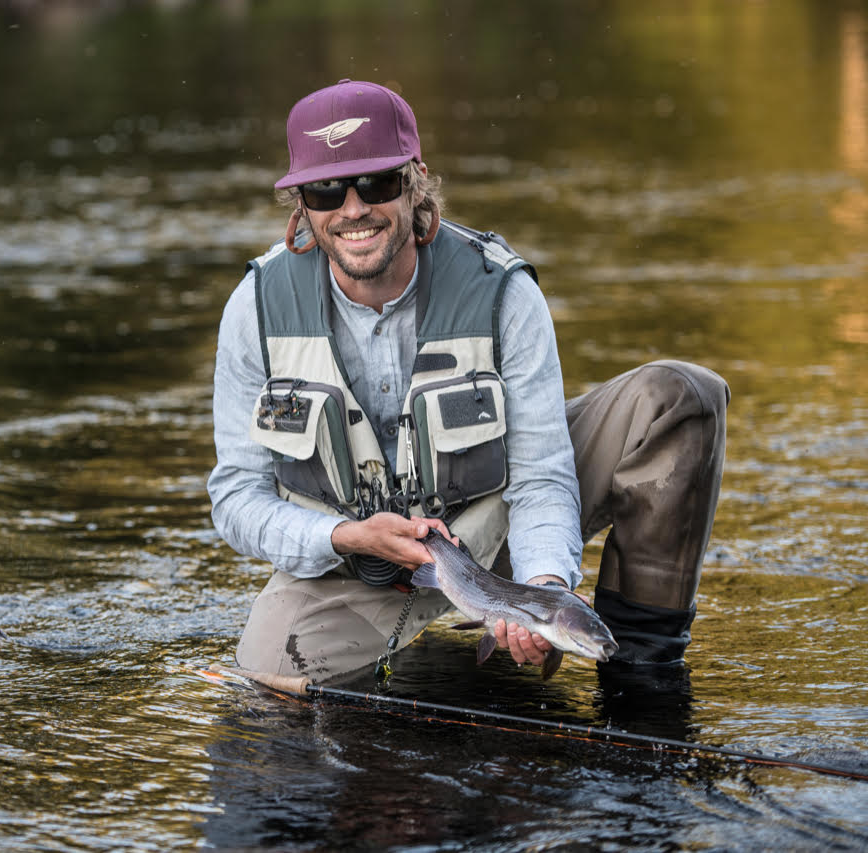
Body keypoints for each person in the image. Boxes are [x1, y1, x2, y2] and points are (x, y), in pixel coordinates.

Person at [208, 80, 730, 685]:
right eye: (327, 190)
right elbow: (238, 497)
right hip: (349, 569)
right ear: (301, 204)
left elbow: (540, 474)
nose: (353, 209)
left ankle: (641, 678)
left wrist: (543, 592)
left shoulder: (503, 290)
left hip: (494, 538)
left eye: (377, 183)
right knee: (268, 686)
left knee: (680, 397)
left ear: (416, 182)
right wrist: (346, 536)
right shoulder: (256, 308)